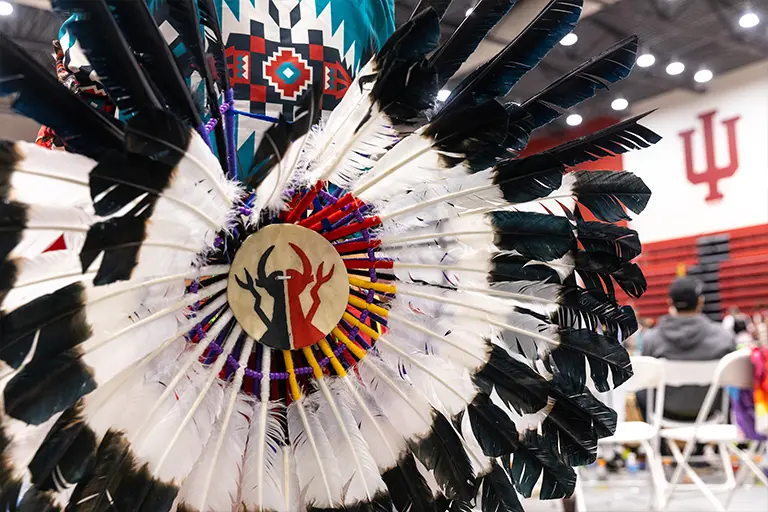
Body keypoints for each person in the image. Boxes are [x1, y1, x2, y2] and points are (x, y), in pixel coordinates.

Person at [639, 276, 735, 421]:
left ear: (670, 302)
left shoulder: (651, 339)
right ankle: (707, 444)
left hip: (665, 412)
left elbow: (646, 380)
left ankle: (661, 443)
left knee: (640, 391)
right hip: (710, 412)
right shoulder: (724, 337)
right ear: (701, 301)